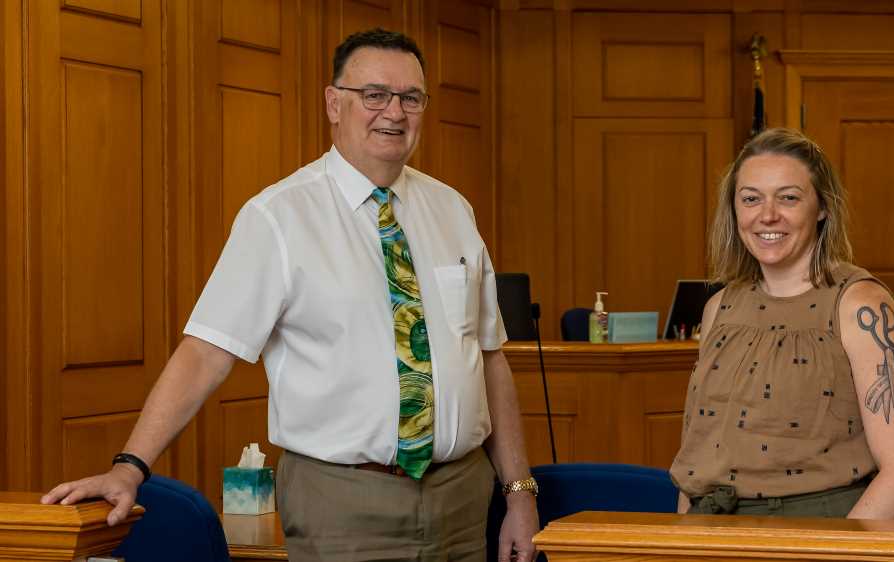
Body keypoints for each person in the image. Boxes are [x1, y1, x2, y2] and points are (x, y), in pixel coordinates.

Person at [42, 28, 539, 561]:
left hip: (462, 499)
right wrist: (129, 466)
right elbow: (206, 352)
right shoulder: (277, 217)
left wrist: (519, 494)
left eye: (410, 97)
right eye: (373, 94)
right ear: (334, 103)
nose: (393, 112)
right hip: (342, 504)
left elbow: (487, 358)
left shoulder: (453, 211)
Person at [670, 128, 894, 518]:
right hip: (710, 532)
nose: (767, 215)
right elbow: (700, 457)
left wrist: (832, 555)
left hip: (818, 534)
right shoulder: (719, 307)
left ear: (822, 207)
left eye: (788, 198)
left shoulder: (862, 306)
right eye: (751, 199)